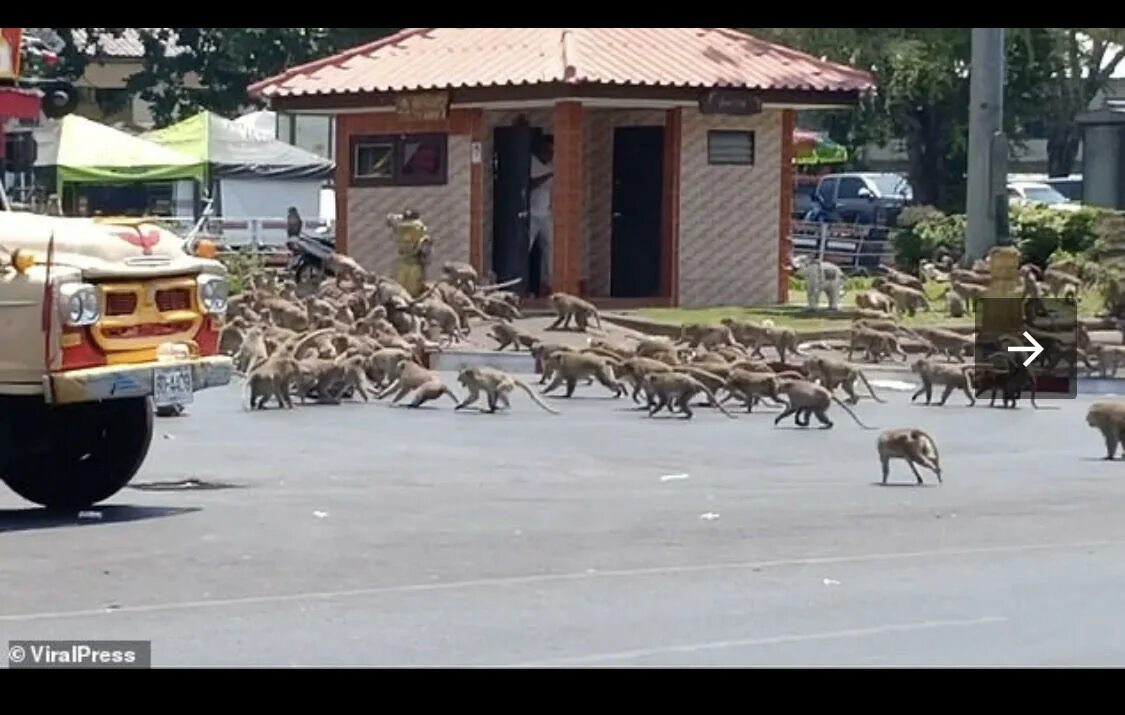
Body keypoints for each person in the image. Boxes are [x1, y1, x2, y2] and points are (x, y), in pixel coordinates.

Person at [528, 134, 553, 296]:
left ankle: (548, 284)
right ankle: (521, 283)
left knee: (550, 249)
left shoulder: (554, 163)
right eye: (548, 149)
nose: (550, 153)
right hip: (530, 213)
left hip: (546, 214)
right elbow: (528, 183)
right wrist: (548, 176)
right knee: (525, 248)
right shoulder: (531, 162)